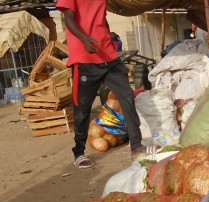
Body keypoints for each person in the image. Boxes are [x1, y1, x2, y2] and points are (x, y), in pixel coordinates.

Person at [56, 0, 144, 169]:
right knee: (82, 108)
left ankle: (137, 146)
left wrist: (108, 38)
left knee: (127, 97)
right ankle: (79, 153)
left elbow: (101, 19)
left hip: (109, 57)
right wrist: (84, 40)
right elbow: (68, 18)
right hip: (84, 59)